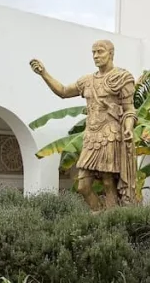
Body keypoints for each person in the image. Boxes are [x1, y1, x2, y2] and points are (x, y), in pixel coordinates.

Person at [30, 40, 137, 209]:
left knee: (109, 183)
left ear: (111, 53)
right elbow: (63, 92)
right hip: (91, 136)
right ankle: (98, 214)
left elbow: (129, 109)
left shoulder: (122, 78)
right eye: (93, 52)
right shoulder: (87, 80)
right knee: (83, 186)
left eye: (100, 52)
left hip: (111, 134)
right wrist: (44, 73)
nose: (96, 56)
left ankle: (112, 220)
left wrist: (129, 127)